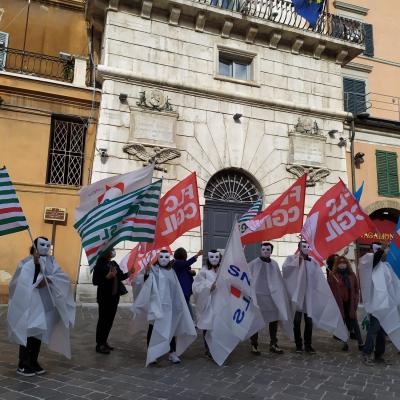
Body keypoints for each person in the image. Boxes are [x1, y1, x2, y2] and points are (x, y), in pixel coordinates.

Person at [7, 236, 75, 376]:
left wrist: (49, 279)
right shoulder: (26, 262)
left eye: (48, 245)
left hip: (44, 304)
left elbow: (61, 276)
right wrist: (35, 267)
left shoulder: (51, 261)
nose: (46, 247)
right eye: (42, 244)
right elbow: (18, 282)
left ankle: (33, 361)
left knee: (38, 333)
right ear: (35, 245)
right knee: (29, 332)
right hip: (30, 304)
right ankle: (23, 363)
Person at [132, 250, 197, 366]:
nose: (163, 259)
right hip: (156, 306)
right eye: (161, 257)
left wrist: (178, 305)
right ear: (157, 257)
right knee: (153, 329)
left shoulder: (171, 272)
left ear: (169, 258)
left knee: (170, 328)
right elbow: (142, 284)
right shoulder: (152, 270)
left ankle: (172, 352)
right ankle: (152, 354)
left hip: (169, 307)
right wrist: (146, 274)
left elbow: (175, 289)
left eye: (166, 257)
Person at [282, 241, 348, 354]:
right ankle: (299, 344)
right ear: (299, 248)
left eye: (308, 246)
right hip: (298, 297)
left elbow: (318, 279)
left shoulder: (313, 262)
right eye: (303, 246)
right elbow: (286, 270)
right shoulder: (292, 259)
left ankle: (308, 345)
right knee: (297, 321)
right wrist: (297, 262)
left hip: (309, 297)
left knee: (309, 322)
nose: (306, 248)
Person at [359, 242, 400, 366]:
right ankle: (366, 354)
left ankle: (379, 355)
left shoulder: (386, 266)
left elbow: (394, 284)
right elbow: (374, 260)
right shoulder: (367, 261)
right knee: (374, 329)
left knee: (383, 331)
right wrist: (381, 251)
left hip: (386, 305)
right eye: (381, 251)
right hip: (375, 305)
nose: (385, 254)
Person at [248, 242, 293, 355]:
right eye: (263, 249)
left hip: (272, 298)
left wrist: (281, 295)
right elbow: (247, 277)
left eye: (268, 250)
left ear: (271, 251)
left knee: (274, 320)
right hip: (258, 297)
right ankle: (254, 344)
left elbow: (278, 280)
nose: (265, 251)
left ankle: (273, 343)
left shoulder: (274, 264)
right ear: (260, 250)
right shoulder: (254, 263)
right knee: (256, 320)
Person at [92, 248, 134, 354]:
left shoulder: (113, 263)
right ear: (105, 252)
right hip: (104, 297)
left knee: (110, 320)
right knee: (103, 320)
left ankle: (104, 341)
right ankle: (99, 344)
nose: (113, 252)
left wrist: (129, 273)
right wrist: (107, 277)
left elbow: (120, 276)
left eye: (113, 249)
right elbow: (95, 281)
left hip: (114, 296)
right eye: (111, 250)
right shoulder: (99, 264)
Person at [328, 255, 363, 351]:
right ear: (337, 265)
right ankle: (344, 343)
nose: (342, 265)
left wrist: (355, 301)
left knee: (354, 323)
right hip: (340, 304)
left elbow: (356, 289)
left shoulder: (352, 275)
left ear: (347, 264)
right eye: (340, 263)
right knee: (342, 325)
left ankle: (360, 343)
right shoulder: (333, 275)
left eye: (344, 263)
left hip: (350, 303)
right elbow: (330, 290)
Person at [192, 250, 221, 358]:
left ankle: (216, 346)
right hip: (207, 303)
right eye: (212, 257)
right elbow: (196, 286)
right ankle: (208, 348)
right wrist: (208, 288)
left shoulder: (221, 271)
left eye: (216, 257)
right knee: (207, 324)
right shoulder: (203, 272)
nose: (214, 259)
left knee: (217, 325)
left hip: (219, 303)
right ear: (208, 258)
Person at [172, 247, 203, 316]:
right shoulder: (177, 263)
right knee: (186, 306)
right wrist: (197, 255)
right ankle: (190, 322)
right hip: (183, 290)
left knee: (186, 305)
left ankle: (189, 322)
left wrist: (192, 272)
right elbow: (186, 264)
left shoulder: (181, 264)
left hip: (185, 290)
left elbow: (187, 271)